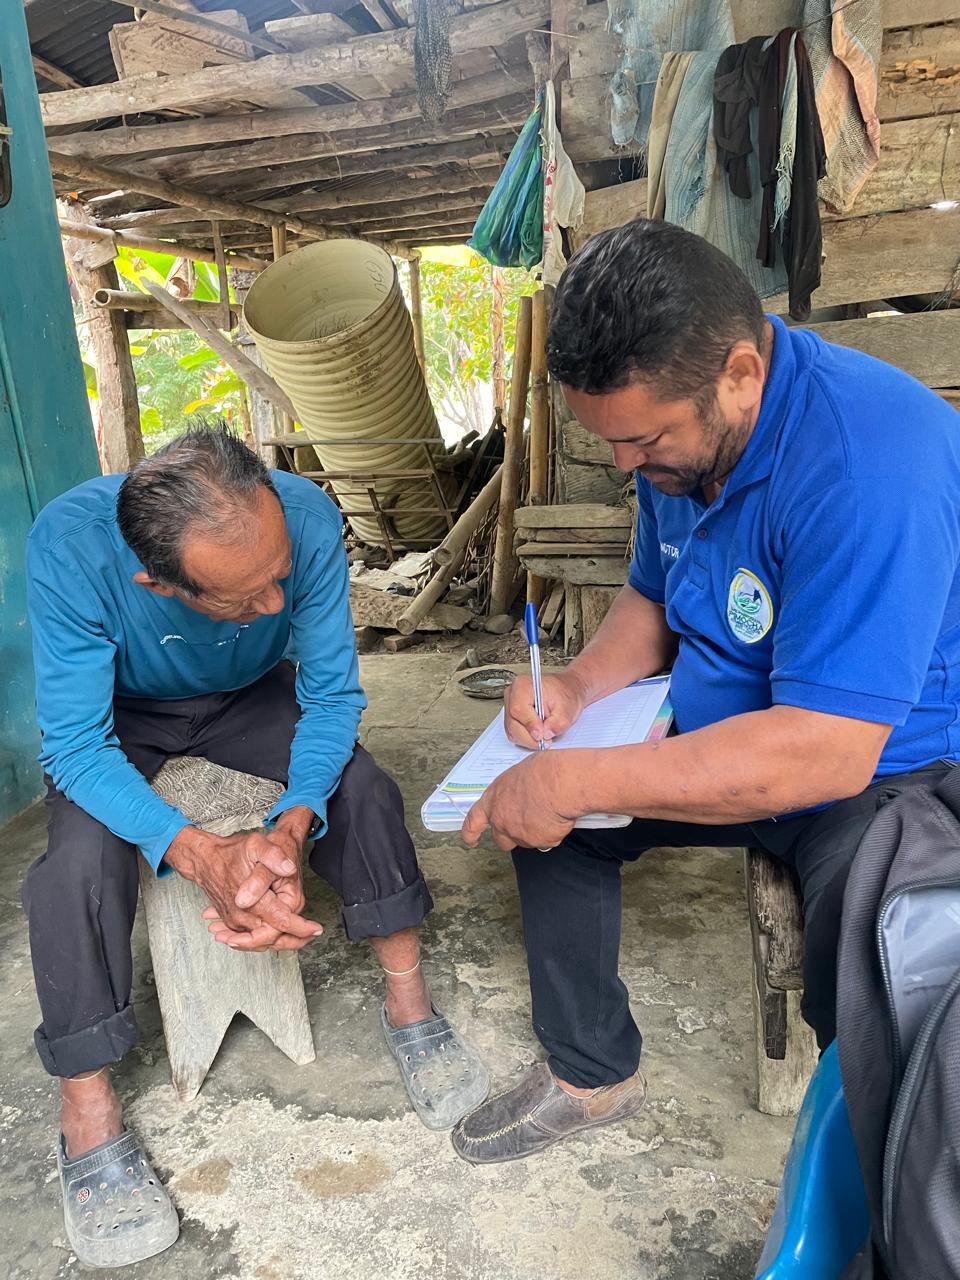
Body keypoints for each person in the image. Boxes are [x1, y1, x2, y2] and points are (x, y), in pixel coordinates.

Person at [450, 217, 960, 1165]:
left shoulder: (869, 462)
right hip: (721, 738)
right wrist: (576, 687)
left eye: (642, 440)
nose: (625, 466)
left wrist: (582, 779)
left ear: (740, 375)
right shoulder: (682, 443)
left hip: (882, 769)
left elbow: (825, 750)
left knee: (883, 953)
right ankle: (592, 1074)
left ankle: (876, 1170)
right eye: (611, 441)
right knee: (545, 814)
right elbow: (652, 597)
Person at [23, 423, 488, 1267]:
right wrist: (197, 851)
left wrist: (293, 820)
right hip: (120, 718)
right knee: (75, 866)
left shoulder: (303, 516)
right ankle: (85, 1107)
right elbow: (77, 747)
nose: (272, 605)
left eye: (278, 577)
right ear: (157, 583)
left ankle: (409, 1000)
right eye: (241, 599)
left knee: (362, 789)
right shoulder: (70, 545)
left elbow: (332, 696)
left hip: (249, 697)